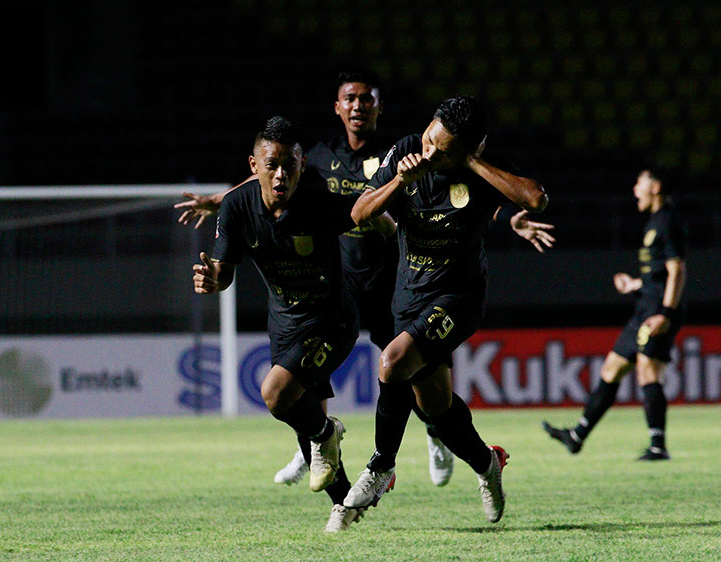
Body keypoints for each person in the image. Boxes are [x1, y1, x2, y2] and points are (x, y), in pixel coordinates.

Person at [176, 69, 556, 489]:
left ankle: (429, 436)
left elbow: (460, 201)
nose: (358, 106)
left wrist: (505, 216)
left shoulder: (402, 152)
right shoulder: (318, 156)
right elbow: (272, 173)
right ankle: (317, 446)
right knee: (327, 372)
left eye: (366, 99)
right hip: (344, 275)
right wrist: (219, 200)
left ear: (379, 107)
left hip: (393, 276)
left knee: (412, 373)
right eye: (350, 99)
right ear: (337, 107)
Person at [342, 95, 548, 525]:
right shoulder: (405, 152)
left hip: (459, 298)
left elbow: (535, 199)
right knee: (435, 405)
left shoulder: (477, 166)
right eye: (431, 138)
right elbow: (359, 213)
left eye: (444, 149)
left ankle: (381, 467)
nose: (431, 151)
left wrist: (472, 163)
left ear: (472, 148)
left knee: (392, 361)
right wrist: (399, 180)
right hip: (408, 297)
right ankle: (487, 463)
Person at [191, 116, 393, 532]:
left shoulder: (318, 200)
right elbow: (224, 272)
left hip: (331, 320)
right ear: (254, 165)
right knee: (305, 423)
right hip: (284, 322)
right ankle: (345, 505)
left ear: (303, 164)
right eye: (272, 164)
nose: (281, 173)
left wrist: (390, 212)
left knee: (276, 393)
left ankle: (327, 433)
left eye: (290, 164)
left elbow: (364, 211)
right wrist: (213, 281)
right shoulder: (236, 207)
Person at [543, 168, 687, 461]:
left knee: (648, 370)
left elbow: (677, 270)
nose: (635, 189)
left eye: (639, 183)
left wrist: (666, 313)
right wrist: (634, 284)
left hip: (658, 312)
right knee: (612, 368)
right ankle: (577, 436)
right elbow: (658, 275)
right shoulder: (654, 222)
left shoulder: (668, 221)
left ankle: (658, 445)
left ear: (656, 187)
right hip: (644, 307)